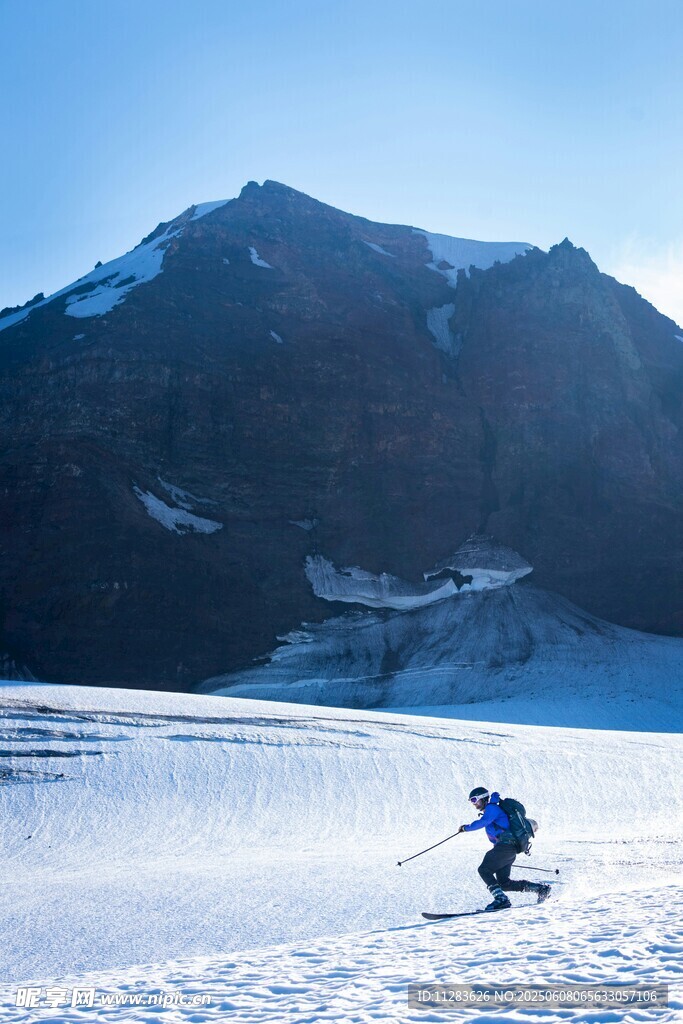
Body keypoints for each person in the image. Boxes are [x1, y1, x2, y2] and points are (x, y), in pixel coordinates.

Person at [458, 786, 550, 911]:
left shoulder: (492, 808)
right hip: (508, 850)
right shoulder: (492, 809)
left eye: (474, 800)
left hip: (505, 848)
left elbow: (482, 823)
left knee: (484, 870)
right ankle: (541, 889)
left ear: (482, 798)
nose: (473, 804)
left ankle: (501, 900)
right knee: (504, 883)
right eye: (471, 801)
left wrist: (466, 828)